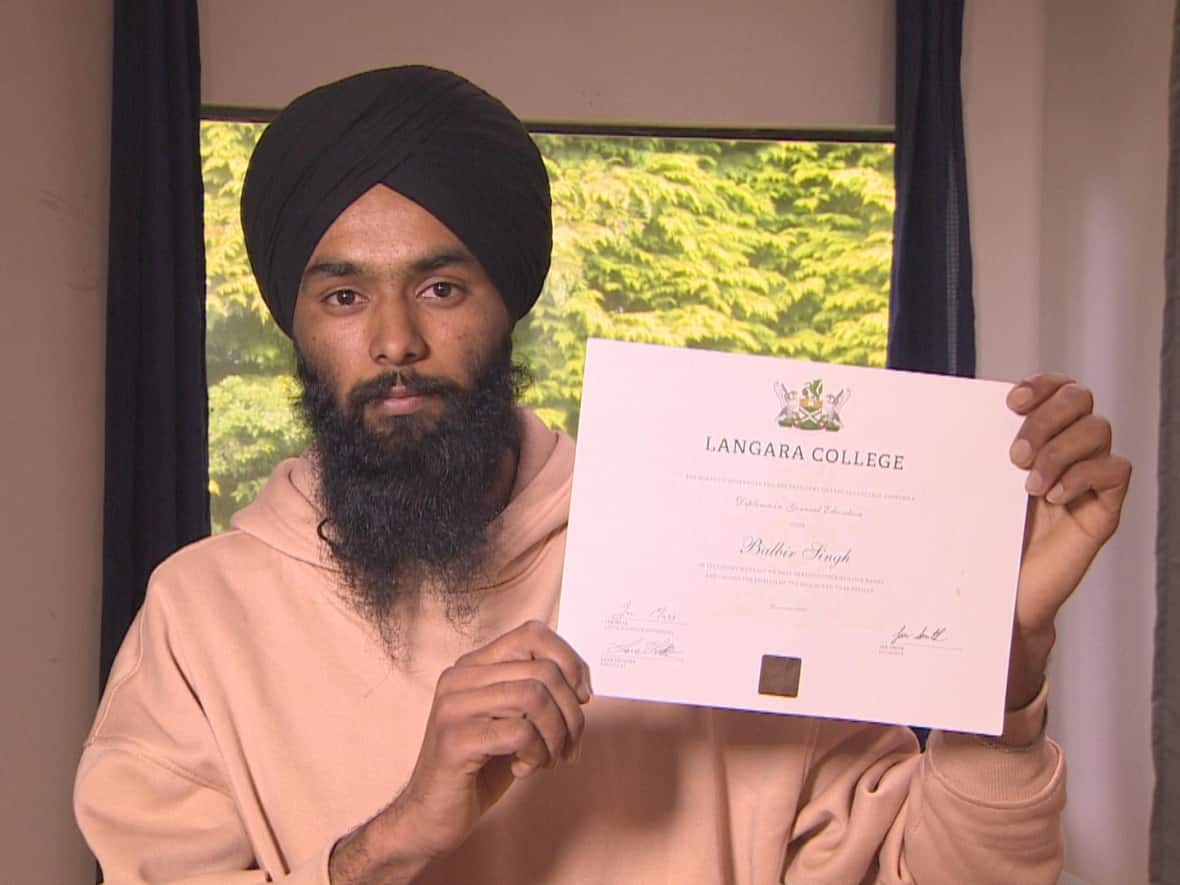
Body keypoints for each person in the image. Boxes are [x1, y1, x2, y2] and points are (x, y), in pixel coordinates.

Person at [74, 66, 1132, 885]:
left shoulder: (724, 557)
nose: (395, 342)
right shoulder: (198, 619)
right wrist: (401, 836)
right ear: (294, 323)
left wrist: (1003, 673)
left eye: (441, 286)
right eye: (343, 298)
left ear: (510, 302)